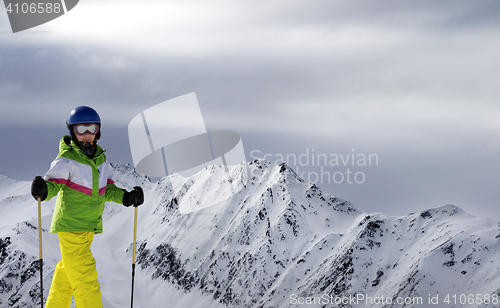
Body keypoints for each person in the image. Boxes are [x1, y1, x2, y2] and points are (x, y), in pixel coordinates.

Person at [30, 106, 144, 308]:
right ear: (72, 132)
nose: (86, 134)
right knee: (86, 278)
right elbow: (54, 184)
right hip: (70, 226)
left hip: (87, 228)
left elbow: (107, 189)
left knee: (67, 275)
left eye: (91, 128)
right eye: (80, 129)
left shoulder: (101, 161)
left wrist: (127, 197)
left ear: (98, 131)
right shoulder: (67, 160)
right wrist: (43, 189)